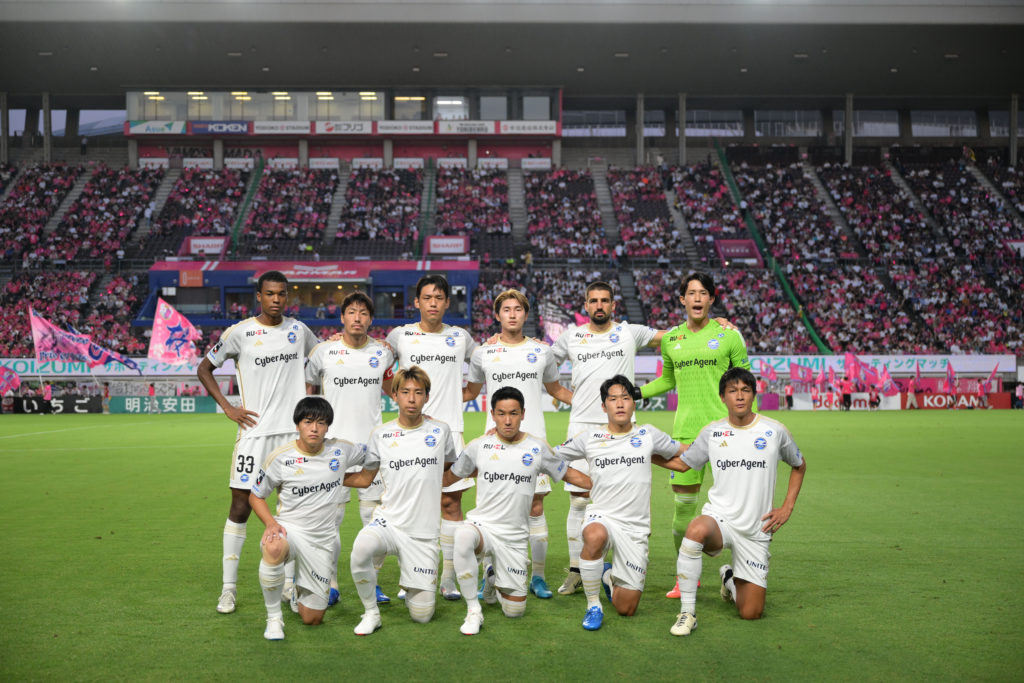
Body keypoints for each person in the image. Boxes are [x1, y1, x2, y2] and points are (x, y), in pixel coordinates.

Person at [197, 270, 318, 615]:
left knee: (291, 509)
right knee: (240, 506)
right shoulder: (240, 333)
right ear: (259, 297)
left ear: (287, 296)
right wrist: (228, 407)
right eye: (270, 293)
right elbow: (204, 368)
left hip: (292, 435)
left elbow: (325, 356)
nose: (276, 299)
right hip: (254, 434)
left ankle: (290, 585)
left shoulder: (299, 331)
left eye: (282, 293)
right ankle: (228, 589)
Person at [636, 272, 750, 599]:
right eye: (691, 293)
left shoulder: (729, 335)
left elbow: (745, 381)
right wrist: (637, 392)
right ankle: (685, 575)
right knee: (682, 511)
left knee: (737, 508)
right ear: (682, 299)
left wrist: (746, 425)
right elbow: (667, 380)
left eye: (703, 293)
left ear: (712, 298)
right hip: (686, 432)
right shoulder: (672, 339)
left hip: (727, 432)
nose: (697, 298)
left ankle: (741, 573)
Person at [669, 367, 807, 636]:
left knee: (750, 612)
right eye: (733, 391)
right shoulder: (712, 432)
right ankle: (687, 613)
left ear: (754, 394)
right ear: (723, 397)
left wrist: (787, 507)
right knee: (695, 530)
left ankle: (729, 578)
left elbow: (799, 465)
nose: (740, 396)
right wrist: (644, 453)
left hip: (756, 529)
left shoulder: (775, 430)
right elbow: (684, 464)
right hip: (720, 519)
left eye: (745, 390)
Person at [443, 386, 591, 635]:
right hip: (483, 527)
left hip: (514, 537)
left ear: (523, 413)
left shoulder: (537, 447)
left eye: (513, 413)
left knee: (515, 611)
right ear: (492, 414)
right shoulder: (479, 446)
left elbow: (569, 473)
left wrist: (602, 485)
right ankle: (473, 610)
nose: (507, 420)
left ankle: (492, 578)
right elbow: (449, 477)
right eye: (501, 413)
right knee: (463, 535)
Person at [551, 281, 664, 595]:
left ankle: (620, 566)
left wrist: (710, 325)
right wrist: (567, 396)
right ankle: (577, 570)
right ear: (585, 305)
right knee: (578, 500)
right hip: (581, 428)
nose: (599, 305)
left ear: (613, 305)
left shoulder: (630, 332)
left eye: (604, 300)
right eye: (593, 301)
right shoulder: (571, 336)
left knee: (624, 500)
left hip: (623, 431)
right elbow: (543, 364)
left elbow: (673, 337)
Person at [463, 289, 573, 598]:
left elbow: (557, 390)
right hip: (492, 442)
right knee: (490, 509)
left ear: (526, 314)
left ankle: (537, 577)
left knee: (535, 507)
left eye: (518, 309)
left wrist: (594, 403)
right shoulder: (483, 353)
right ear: (497, 315)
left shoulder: (542, 352)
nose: (512, 314)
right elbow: (470, 391)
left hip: (533, 441)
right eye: (506, 309)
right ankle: (489, 574)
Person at [556, 375, 689, 631]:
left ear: (633, 404)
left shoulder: (648, 435)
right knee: (594, 536)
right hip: (602, 516)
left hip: (634, 528)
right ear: (603, 406)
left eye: (625, 398)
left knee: (626, 608)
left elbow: (685, 455)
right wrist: (582, 480)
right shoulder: (590, 437)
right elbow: (551, 457)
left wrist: (719, 441)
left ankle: (607, 575)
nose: (620, 404)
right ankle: (593, 605)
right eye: (613, 399)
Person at [345, 366, 458, 635]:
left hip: (423, 534)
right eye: (405, 392)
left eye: (418, 393)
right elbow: (365, 478)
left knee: (422, 616)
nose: (411, 399)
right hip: (389, 522)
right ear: (394, 395)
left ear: (427, 397)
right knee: (360, 548)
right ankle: (371, 613)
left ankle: (412, 584)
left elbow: (449, 470)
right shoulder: (381, 434)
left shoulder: (441, 431)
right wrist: (330, 475)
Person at [385, 275, 477, 600]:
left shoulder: (461, 337)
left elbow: (481, 369)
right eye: (427, 297)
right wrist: (397, 396)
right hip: (410, 434)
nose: (433, 303)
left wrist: (461, 395)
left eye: (439, 297)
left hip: (451, 432)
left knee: (450, 504)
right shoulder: (400, 335)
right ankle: (411, 577)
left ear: (447, 302)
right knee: (409, 507)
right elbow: (374, 363)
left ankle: (448, 579)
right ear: (417, 302)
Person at [248, 397, 369, 640]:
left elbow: (374, 451)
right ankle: (274, 619)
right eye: (308, 422)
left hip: (321, 541)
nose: (314, 428)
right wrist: (271, 523)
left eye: (321, 423)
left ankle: (297, 592)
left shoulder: (341, 450)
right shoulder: (280, 457)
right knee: (273, 546)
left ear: (327, 427)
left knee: (312, 619)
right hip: (290, 531)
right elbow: (255, 496)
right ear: (298, 425)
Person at [305, 291, 395, 606]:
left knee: (376, 520)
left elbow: (392, 387)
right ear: (342, 317)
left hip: (372, 449)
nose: (357, 318)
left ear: (371, 319)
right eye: (352, 312)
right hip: (333, 449)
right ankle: (330, 584)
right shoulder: (323, 352)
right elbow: (309, 393)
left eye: (363, 313)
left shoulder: (383, 353)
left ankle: (372, 582)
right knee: (330, 521)